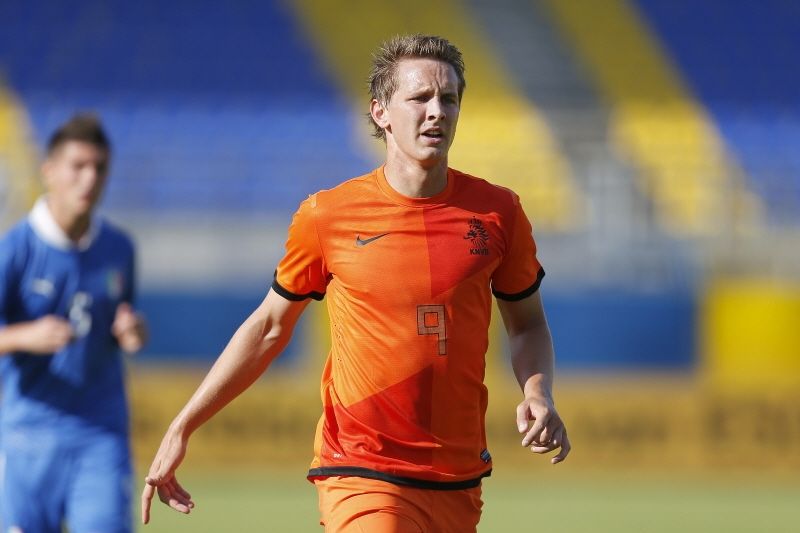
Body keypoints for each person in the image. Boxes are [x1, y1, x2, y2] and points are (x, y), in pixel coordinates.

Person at [141, 34, 570, 532]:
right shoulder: (328, 215)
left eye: (448, 98)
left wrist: (539, 393)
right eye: (420, 97)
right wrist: (183, 426)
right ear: (381, 112)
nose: (437, 111)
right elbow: (269, 328)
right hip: (361, 467)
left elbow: (527, 325)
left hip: (457, 476)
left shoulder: (499, 212)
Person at [0, 114, 148, 533]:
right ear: (49, 171)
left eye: (99, 168)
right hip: (28, 436)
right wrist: (24, 335)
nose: (90, 178)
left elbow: (124, 322)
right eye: (78, 166)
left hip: (99, 435)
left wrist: (134, 332)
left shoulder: (119, 248)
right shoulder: (15, 250)